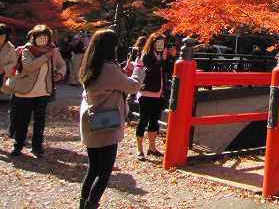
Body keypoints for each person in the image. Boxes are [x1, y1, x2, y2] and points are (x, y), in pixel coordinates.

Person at [79, 29, 144, 209]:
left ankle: (82, 205)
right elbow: (132, 86)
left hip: (90, 119)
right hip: (105, 123)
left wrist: (124, 71)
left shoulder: (91, 63)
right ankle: (91, 205)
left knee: (93, 169)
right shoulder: (109, 68)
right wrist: (138, 69)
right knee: (104, 171)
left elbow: (112, 81)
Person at [10, 24, 66, 156]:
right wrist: (46, 56)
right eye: (40, 37)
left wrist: (60, 74)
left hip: (43, 92)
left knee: (40, 121)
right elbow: (29, 66)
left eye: (45, 37)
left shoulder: (54, 51)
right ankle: (18, 145)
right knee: (22, 121)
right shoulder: (27, 50)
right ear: (34, 37)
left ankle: (37, 147)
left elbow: (62, 64)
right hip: (24, 92)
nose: (43, 40)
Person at [135, 32, 167, 160]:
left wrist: (170, 58)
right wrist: (161, 61)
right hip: (147, 92)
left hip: (158, 92)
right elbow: (149, 71)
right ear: (153, 42)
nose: (161, 45)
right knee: (143, 120)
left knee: (154, 121)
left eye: (162, 42)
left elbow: (166, 70)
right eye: (159, 42)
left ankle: (152, 147)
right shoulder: (146, 55)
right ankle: (139, 149)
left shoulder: (160, 54)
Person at [0, 23, 17, 138]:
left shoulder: (10, 47)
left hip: (2, 76)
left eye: (3, 36)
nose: (1, 38)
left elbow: (14, 62)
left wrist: (4, 68)